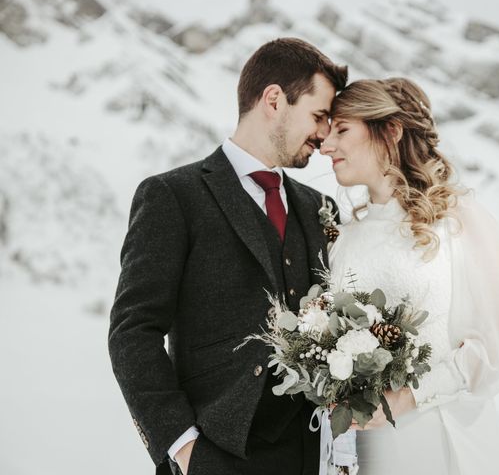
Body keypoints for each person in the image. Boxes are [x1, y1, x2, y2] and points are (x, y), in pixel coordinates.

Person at [108, 38, 348, 475]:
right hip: (215, 453)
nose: (324, 134)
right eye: (318, 116)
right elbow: (133, 332)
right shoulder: (172, 196)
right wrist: (183, 448)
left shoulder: (319, 208)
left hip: (310, 454)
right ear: (274, 99)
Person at [319, 78, 499, 474]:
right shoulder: (345, 239)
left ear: (391, 131)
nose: (326, 145)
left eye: (342, 130)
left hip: (438, 436)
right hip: (364, 450)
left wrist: (409, 396)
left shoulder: (455, 222)